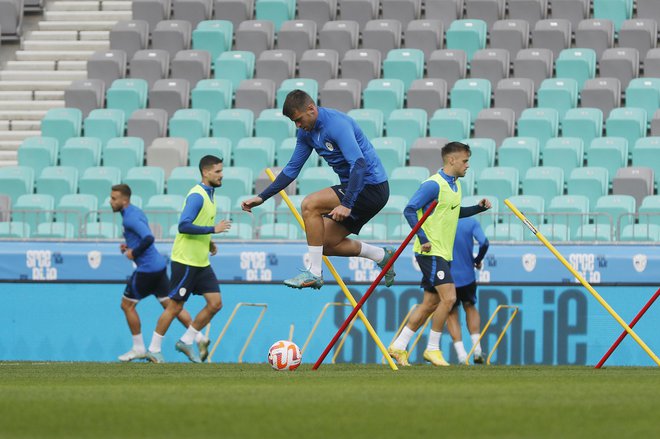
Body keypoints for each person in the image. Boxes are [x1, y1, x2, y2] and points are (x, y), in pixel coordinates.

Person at [241, 89, 396, 289]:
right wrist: (262, 197)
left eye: (298, 119)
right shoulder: (306, 133)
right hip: (355, 188)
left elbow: (359, 164)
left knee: (310, 204)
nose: (297, 125)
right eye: (293, 122)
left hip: (371, 187)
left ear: (311, 109)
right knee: (324, 243)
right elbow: (291, 170)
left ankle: (314, 272)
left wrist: (347, 203)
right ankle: (382, 256)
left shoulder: (337, 124)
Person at [387, 142, 491, 367]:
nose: (467, 165)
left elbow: (455, 212)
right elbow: (409, 209)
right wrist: (423, 238)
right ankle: (433, 349)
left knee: (430, 304)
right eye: (465, 161)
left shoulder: (455, 186)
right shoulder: (434, 184)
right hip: (430, 251)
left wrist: (478, 209)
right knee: (450, 298)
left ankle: (398, 346)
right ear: (451, 160)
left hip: (442, 253)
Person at [146, 155, 231, 363]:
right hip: (185, 261)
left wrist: (209, 242)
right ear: (206, 172)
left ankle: (187, 340)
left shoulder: (211, 195)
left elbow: (198, 224)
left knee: (215, 303)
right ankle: (153, 349)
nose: (222, 175)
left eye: (222, 171)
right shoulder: (197, 195)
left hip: (201, 261)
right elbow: (183, 225)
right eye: (218, 171)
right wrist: (213, 229)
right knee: (174, 306)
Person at [110, 184, 205, 362]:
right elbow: (141, 237)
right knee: (171, 306)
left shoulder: (129, 218)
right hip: (158, 265)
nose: (110, 201)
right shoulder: (134, 212)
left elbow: (148, 237)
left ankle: (138, 348)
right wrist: (129, 247)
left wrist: (134, 252)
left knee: (127, 305)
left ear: (125, 200)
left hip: (147, 269)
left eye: (114, 198)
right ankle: (199, 337)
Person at [445, 216, 490, 364]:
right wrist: (477, 260)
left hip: (447, 274)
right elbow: (484, 242)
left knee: (451, 312)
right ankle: (477, 349)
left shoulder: (442, 219)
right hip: (467, 275)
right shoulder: (471, 222)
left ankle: (461, 355)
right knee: (470, 306)